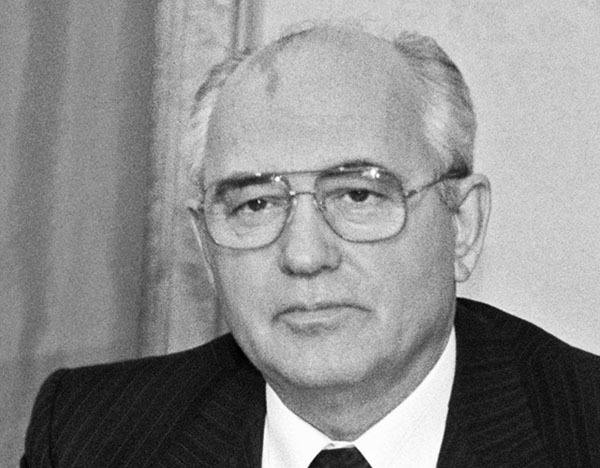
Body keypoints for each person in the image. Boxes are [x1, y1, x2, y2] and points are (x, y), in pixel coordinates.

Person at [22, 25, 600, 467]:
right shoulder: (86, 438)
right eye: (255, 205)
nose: (304, 256)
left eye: (357, 195)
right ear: (206, 246)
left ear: (463, 227)